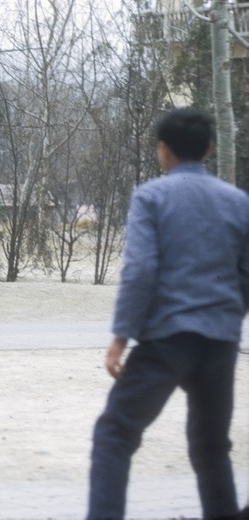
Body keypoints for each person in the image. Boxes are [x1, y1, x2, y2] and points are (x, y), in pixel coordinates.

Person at [87, 108, 249, 519]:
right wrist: (227, 317)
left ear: (163, 151)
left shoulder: (151, 197)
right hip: (220, 343)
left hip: (167, 341)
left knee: (115, 433)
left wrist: (120, 338)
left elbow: (140, 270)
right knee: (211, 447)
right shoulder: (238, 202)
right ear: (210, 149)